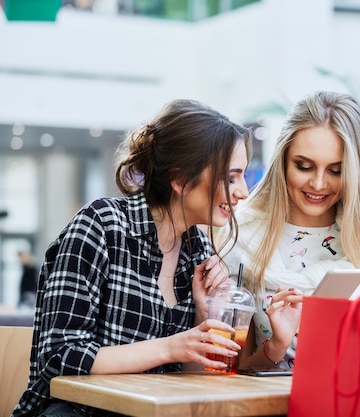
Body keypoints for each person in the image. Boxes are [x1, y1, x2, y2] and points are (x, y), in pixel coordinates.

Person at [12, 99, 252, 417]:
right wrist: (171, 345)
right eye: (231, 178)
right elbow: (58, 356)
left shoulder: (199, 252)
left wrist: (203, 315)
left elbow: (193, 375)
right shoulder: (102, 225)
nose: (243, 191)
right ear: (180, 180)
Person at [220, 90, 360, 369]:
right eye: (304, 166)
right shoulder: (241, 237)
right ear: (282, 159)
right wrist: (276, 348)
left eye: (336, 170)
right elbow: (231, 372)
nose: (319, 184)